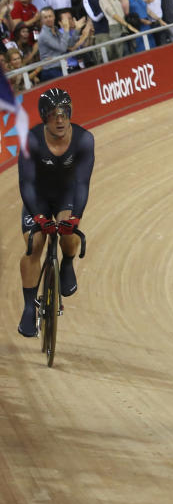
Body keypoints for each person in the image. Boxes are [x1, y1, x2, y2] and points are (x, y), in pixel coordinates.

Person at [16, 88, 95, 337]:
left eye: (64, 114)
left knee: (69, 233)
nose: (60, 120)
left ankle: (68, 262)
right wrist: (39, 218)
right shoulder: (31, 139)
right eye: (53, 115)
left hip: (66, 197)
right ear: (43, 117)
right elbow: (26, 184)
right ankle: (29, 307)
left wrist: (75, 218)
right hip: (37, 199)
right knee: (34, 244)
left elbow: (82, 183)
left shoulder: (84, 139)